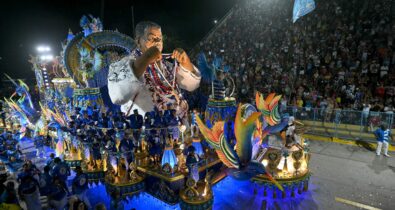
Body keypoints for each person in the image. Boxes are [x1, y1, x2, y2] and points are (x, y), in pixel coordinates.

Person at [107, 21, 201, 120]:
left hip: (172, 126)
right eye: (151, 38)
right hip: (144, 129)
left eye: (159, 39)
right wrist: (147, 57)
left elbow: (191, 86)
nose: (157, 42)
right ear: (138, 41)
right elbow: (118, 96)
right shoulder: (121, 65)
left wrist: (186, 63)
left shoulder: (167, 66)